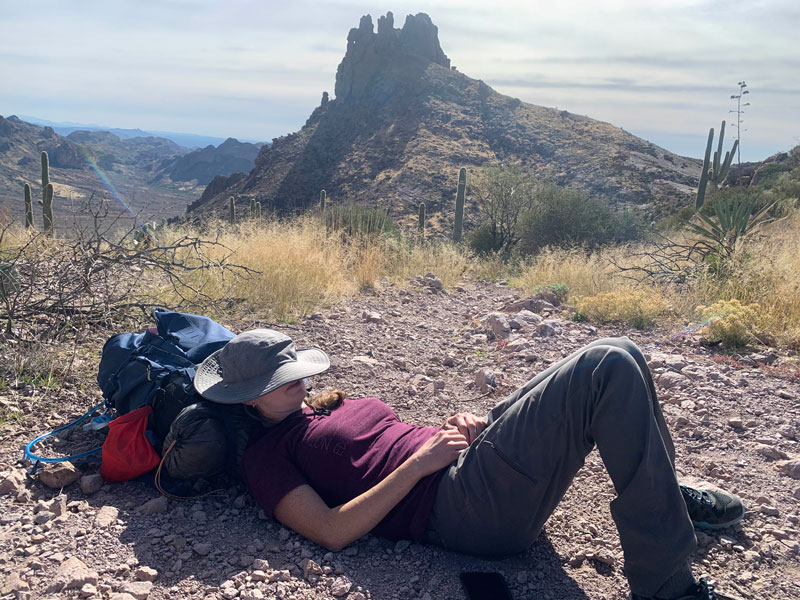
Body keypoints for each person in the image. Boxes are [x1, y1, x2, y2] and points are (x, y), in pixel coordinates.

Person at [193, 329, 746, 600]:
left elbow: (387, 443)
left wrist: (451, 430)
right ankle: (666, 586)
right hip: (458, 510)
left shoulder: (319, 409)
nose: (297, 383)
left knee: (618, 347)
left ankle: (664, 498)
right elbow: (331, 531)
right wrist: (420, 465)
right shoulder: (267, 457)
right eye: (280, 383)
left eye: (294, 373)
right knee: (602, 366)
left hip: (462, 471)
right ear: (248, 402)